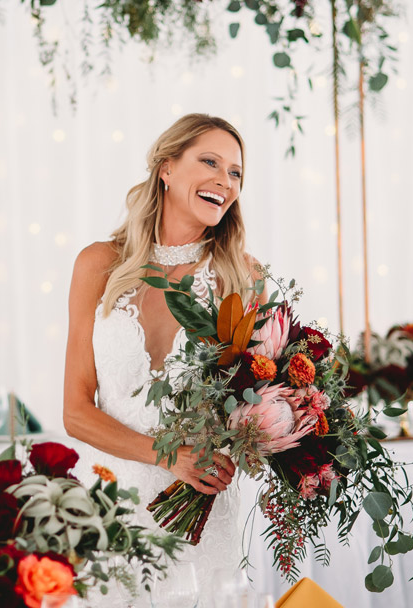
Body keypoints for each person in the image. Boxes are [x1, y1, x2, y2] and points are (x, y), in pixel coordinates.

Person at [64, 113, 265, 605]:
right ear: (166, 169)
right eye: (210, 162)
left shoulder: (243, 279)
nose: (225, 180)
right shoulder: (99, 264)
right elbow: (75, 412)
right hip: (107, 509)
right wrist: (167, 455)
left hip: (198, 518)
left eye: (236, 172)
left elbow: (257, 397)